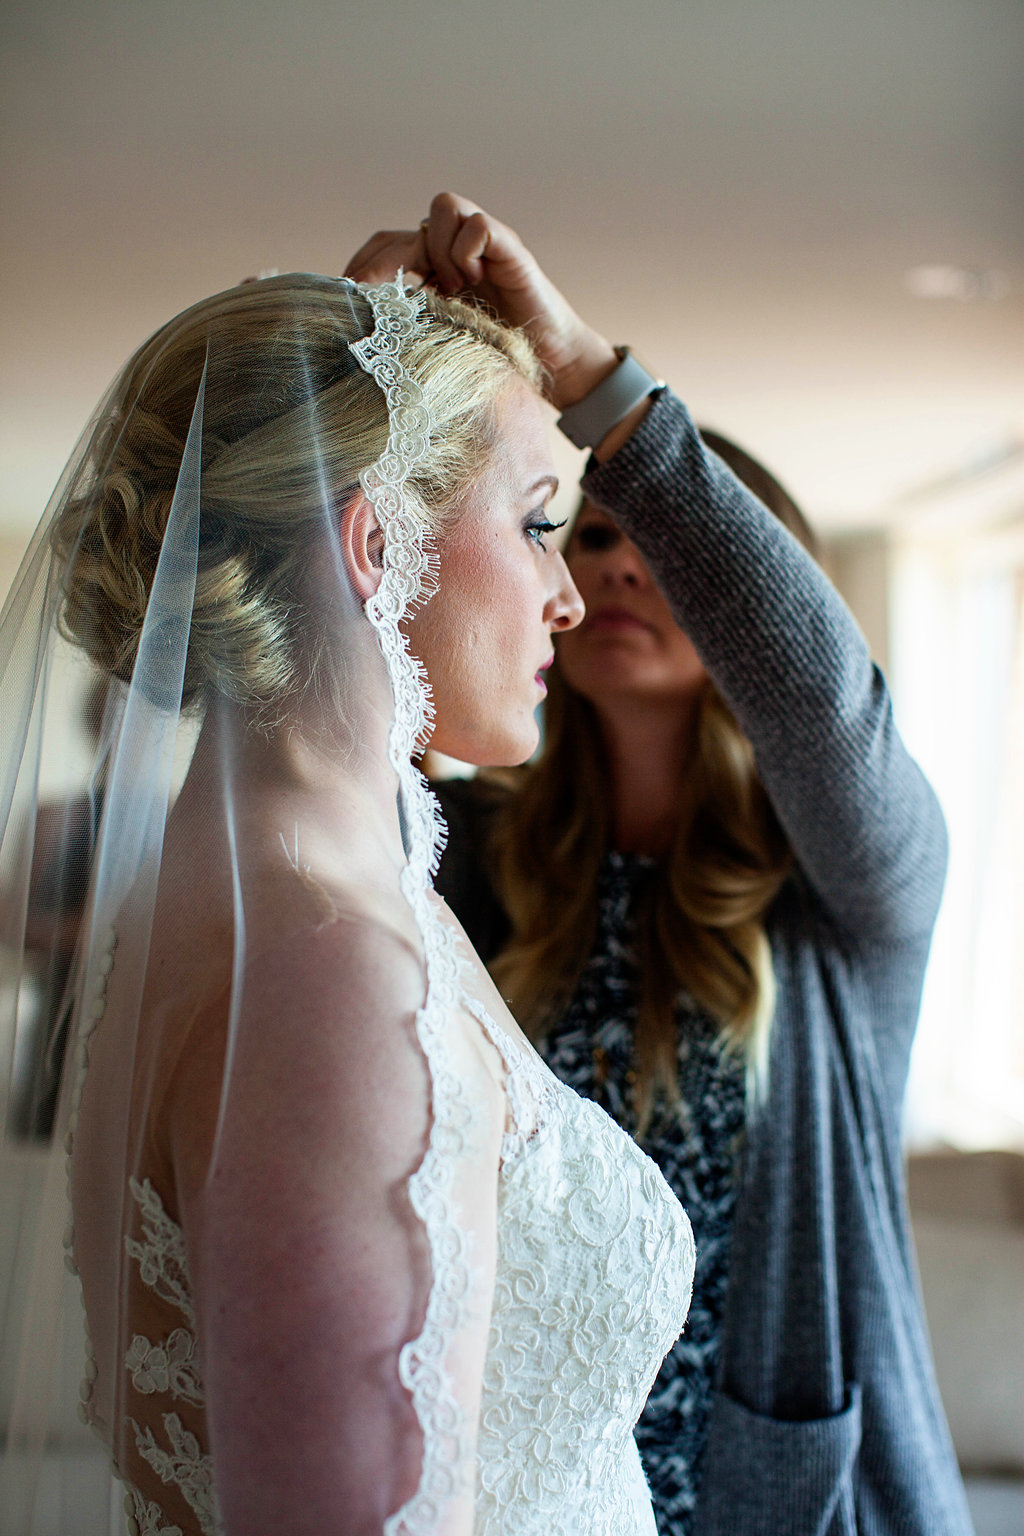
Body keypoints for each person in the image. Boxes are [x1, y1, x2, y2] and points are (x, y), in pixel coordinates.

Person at [0, 271, 695, 1535]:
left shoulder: (274, 897)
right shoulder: (328, 978)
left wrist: (399, 350)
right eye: (540, 525)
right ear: (378, 543)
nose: (570, 598)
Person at [346, 195, 975, 1536]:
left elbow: (825, 708)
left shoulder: (850, 899)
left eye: (657, 535)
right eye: (583, 530)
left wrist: (592, 389)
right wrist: (363, 361)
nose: (615, 556)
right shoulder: (473, 857)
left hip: (787, 1498)